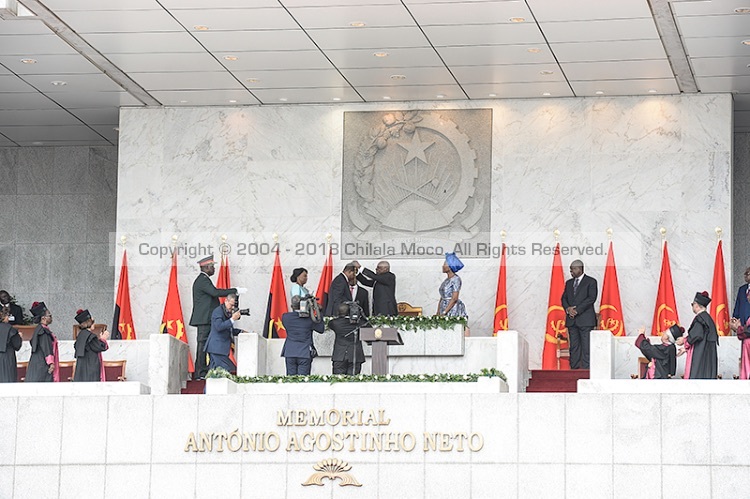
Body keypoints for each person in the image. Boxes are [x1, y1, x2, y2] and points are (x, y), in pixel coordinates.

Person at [189, 255, 241, 379]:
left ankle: (205, 370)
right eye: (212, 266)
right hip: (204, 319)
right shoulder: (202, 280)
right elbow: (215, 292)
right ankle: (200, 372)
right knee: (202, 345)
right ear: (206, 267)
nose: (214, 269)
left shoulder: (204, 279)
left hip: (206, 318)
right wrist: (234, 290)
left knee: (206, 344)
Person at [561, 259, 598, 370]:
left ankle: (586, 370)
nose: (571, 272)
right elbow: (563, 298)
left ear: (580, 269)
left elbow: (591, 298)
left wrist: (576, 310)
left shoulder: (591, 281)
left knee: (586, 346)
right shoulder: (569, 283)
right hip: (572, 320)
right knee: (574, 346)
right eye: (570, 270)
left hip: (586, 320)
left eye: (573, 269)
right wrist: (568, 309)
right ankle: (574, 369)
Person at [281, 295, 325, 375]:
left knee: (290, 380)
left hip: (290, 352)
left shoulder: (285, 317)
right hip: (304, 352)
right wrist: (319, 311)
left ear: (292, 306)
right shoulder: (309, 319)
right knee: (303, 381)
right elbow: (321, 329)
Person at [204, 293, 243, 374]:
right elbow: (219, 327)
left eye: (233, 306)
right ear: (226, 301)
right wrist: (232, 319)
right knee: (227, 371)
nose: (232, 308)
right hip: (217, 347)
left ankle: (208, 387)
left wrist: (241, 332)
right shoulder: (218, 311)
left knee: (215, 374)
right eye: (231, 305)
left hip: (219, 349)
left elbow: (228, 329)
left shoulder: (226, 312)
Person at [685, 291, 719, 379]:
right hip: (709, 355)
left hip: (700, 354)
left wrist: (685, 342)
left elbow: (696, 335)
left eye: (692, 304)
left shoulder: (700, 319)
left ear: (696, 305)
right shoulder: (709, 319)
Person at [72, 309, 110, 382]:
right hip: (90, 368)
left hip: (82, 368)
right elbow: (100, 346)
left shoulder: (81, 335)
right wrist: (103, 338)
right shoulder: (90, 336)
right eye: (93, 322)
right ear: (88, 323)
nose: (94, 325)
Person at [328, 303, 366, 375]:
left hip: (339, 356)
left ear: (338, 312)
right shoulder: (359, 323)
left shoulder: (335, 323)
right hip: (355, 355)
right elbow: (368, 326)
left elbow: (330, 324)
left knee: (338, 382)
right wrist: (361, 314)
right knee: (353, 382)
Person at [26, 302, 59, 382]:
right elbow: (46, 347)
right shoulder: (43, 331)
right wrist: (51, 363)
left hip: (37, 363)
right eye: (49, 315)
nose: (51, 317)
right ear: (43, 318)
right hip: (42, 365)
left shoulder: (38, 329)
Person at [438, 253, 467, 317]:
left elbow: (454, 298)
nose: (443, 266)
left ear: (450, 266)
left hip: (452, 309)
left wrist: (445, 312)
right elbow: (442, 296)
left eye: (445, 264)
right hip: (443, 308)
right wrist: (438, 311)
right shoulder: (446, 280)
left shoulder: (456, 279)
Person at [0, 307, 22, 382]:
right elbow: (17, 345)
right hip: (7, 357)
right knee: (8, 379)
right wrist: (20, 337)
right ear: (6, 316)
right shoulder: (11, 329)